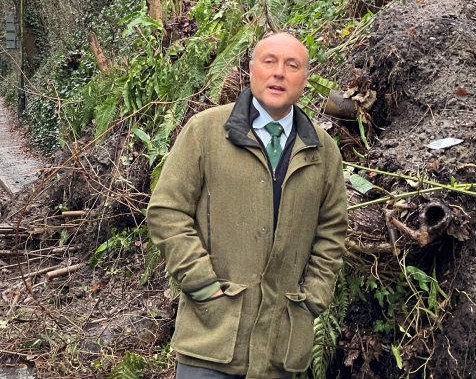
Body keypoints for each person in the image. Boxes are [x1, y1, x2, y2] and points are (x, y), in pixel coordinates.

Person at [148, 32, 348, 379]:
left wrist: (313, 299)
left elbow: (332, 231)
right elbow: (167, 211)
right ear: (252, 68)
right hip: (211, 341)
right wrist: (202, 284)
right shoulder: (206, 132)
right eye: (269, 62)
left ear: (305, 78)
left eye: (292, 65)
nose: (279, 73)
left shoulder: (323, 150)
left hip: (282, 346)